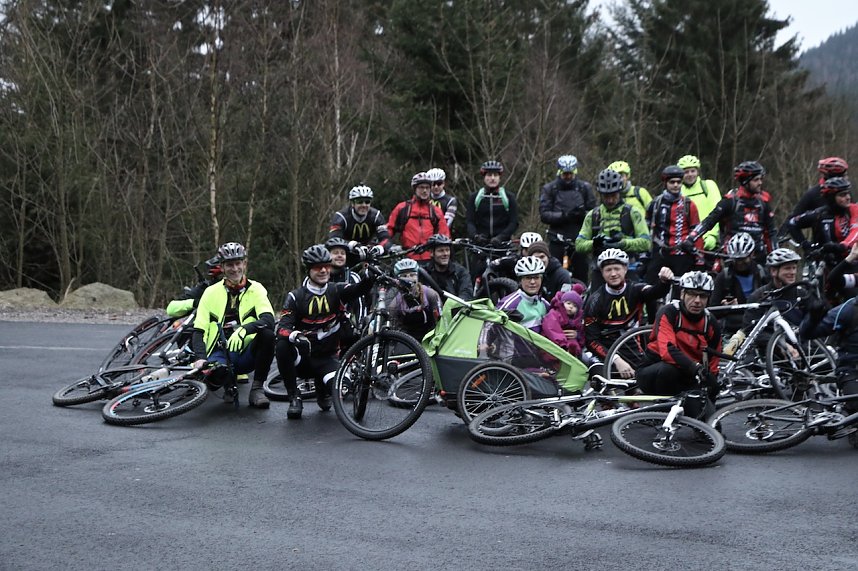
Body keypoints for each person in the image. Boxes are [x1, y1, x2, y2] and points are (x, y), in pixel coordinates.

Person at [274, 244, 375, 419]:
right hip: (303, 359)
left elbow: (361, 288)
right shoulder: (295, 297)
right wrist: (295, 335)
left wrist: (369, 268)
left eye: (326, 266)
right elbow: (282, 328)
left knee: (343, 389)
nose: (323, 270)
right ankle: (294, 398)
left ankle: (323, 388)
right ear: (308, 270)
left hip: (327, 358)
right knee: (282, 346)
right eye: (317, 267)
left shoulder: (337, 290)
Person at [191, 242, 276, 408]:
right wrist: (200, 358)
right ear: (222, 267)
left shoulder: (256, 289)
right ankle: (228, 385)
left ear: (244, 264)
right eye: (230, 265)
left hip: (245, 352)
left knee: (268, 335)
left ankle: (257, 389)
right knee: (214, 376)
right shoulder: (210, 293)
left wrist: (245, 329)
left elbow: (268, 320)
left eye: (238, 263)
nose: (235, 269)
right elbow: (199, 330)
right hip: (219, 353)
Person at [635, 271, 722, 418]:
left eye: (703, 296)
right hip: (653, 372)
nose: (697, 301)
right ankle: (661, 414)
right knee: (669, 369)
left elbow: (713, 359)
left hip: (687, 375)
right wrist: (695, 367)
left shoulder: (710, 322)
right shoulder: (669, 312)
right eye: (692, 294)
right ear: (682, 294)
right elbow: (668, 351)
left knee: (710, 428)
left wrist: (711, 385)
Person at [583, 248, 673, 377]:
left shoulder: (636, 289)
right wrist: (616, 360)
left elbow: (655, 292)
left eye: (617, 269)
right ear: (602, 273)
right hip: (605, 350)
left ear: (625, 269)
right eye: (608, 270)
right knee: (600, 380)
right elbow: (591, 341)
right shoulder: (595, 301)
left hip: (632, 347)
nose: (613, 274)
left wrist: (664, 281)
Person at [683, 161, 777, 264]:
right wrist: (691, 238)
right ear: (745, 181)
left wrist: (775, 256)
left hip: (757, 257)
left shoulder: (764, 202)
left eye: (760, 179)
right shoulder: (730, 201)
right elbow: (708, 222)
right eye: (756, 180)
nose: (760, 183)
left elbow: (771, 232)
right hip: (732, 257)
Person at [576, 168, 651, 287]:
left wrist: (622, 243)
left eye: (613, 195)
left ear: (619, 192)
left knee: (641, 299)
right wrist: (595, 244)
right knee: (591, 302)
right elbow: (579, 244)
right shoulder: (593, 215)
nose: (610, 200)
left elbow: (646, 242)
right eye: (606, 196)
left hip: (628, 268)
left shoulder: (633, 212)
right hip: (600, 270)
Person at [538, 154, 596, 282]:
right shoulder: (549, 189)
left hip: (579, 238)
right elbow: (544, 214)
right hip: (557, 238)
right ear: (560, 172)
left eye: (570, 174)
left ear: (575, 172)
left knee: (582, 275)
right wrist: (564, 216)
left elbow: (595, 213)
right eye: (565, 174)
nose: (568, 177)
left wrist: (582, 215)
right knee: (553, 274)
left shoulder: (584, 188)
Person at [742, 248, 810, 351]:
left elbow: (812, 326)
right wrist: (781, 345)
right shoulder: (758, 296)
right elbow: (750, 330)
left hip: (802, 350)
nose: (792, 272)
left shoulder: (802, 294)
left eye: (794, 268)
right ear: (773, 271)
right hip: (771, 351)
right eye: (787, 268)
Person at [645, 165, 704, 284]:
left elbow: (696, 231)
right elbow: (647, 229)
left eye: (679, 182)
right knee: (650, 286)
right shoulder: (655, 203)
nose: (676, 185)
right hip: (660, 253)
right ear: (665, 183)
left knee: (681, 289)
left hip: (682, 254)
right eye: (672, 182)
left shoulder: (689, 204)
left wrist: (699, 257)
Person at [786, 177, 858, 266]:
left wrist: (843, 245)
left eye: (848, 194)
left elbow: (856, 231)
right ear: (831, 197)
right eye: (842, 195)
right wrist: (806, 245)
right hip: (828, 264)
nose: (848, 198)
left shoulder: (854, 209)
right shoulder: (820, 214)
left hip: (853, 259)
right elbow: (792, 223)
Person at [711, 232, 767, 334]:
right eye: (736, 260)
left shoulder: (762, 274)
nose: (739, 263)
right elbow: (712, 310)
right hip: (733, 328)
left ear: (752, 254)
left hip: (758, 325)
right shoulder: (723, 277)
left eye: (743, 259)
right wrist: (725, 308)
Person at [388, 172, 450, 261]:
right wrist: (387, 246)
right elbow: (389, 230)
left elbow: (444, 235)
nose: (425, 191)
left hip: (430, 259)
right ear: (415, 189)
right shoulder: (402, 208)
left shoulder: (436, 211)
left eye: (427, 188)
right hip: (407, 258)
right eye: (421, 187)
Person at [387, 258, 443, 341]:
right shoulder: (395, 303)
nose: (409, 278)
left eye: (412, 275)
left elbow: (440, 321)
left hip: (430, 334)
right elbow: (394, 330)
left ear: (417, 276)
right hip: (407, 338)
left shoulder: (431, 294)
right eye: (404, 276)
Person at [466, 160, 519, 244]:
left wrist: (501, 237)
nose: (492, 178)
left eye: (495, 175)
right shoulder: (475, 197)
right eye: (489, 175)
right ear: (484, 177)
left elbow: (514, 222)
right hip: (480, 243)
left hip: (502, 244)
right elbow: (470, 221)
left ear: (499, 177)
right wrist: (475, 236)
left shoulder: (508, 197)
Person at [677, 154, 721, 251]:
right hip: (685, 242)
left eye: (693, 171)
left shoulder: (708, 186)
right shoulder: (678, 190)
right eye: (686, 172)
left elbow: (717, 212)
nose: (690, 175)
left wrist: (712, 236)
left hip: (707, 239)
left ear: (697, 171)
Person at [496, 256, 550, 332]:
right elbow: (492, 328)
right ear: (520, 280)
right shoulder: (509, 304)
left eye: (536, 277)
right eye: (528, 278)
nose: (532, 282)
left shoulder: (545, 305)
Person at [420, 233, 473, 301]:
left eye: (447, 250)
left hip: (456, 309)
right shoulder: (424, 273)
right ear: (432, 253)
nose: (445, 254)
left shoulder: (460, 272)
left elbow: (466, 294)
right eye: (441, 251)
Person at [541, 289, 585, 358]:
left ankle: (574, 353)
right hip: (554, 343)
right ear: (562, 303)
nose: (571, 307)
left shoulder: (577, 320)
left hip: (567, 343)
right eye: (568, 303)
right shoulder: (554, 314)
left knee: (574, 344)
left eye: (574, 306)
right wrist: (563, 344)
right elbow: (551, 329)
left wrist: (578, 335)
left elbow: (582, 332)